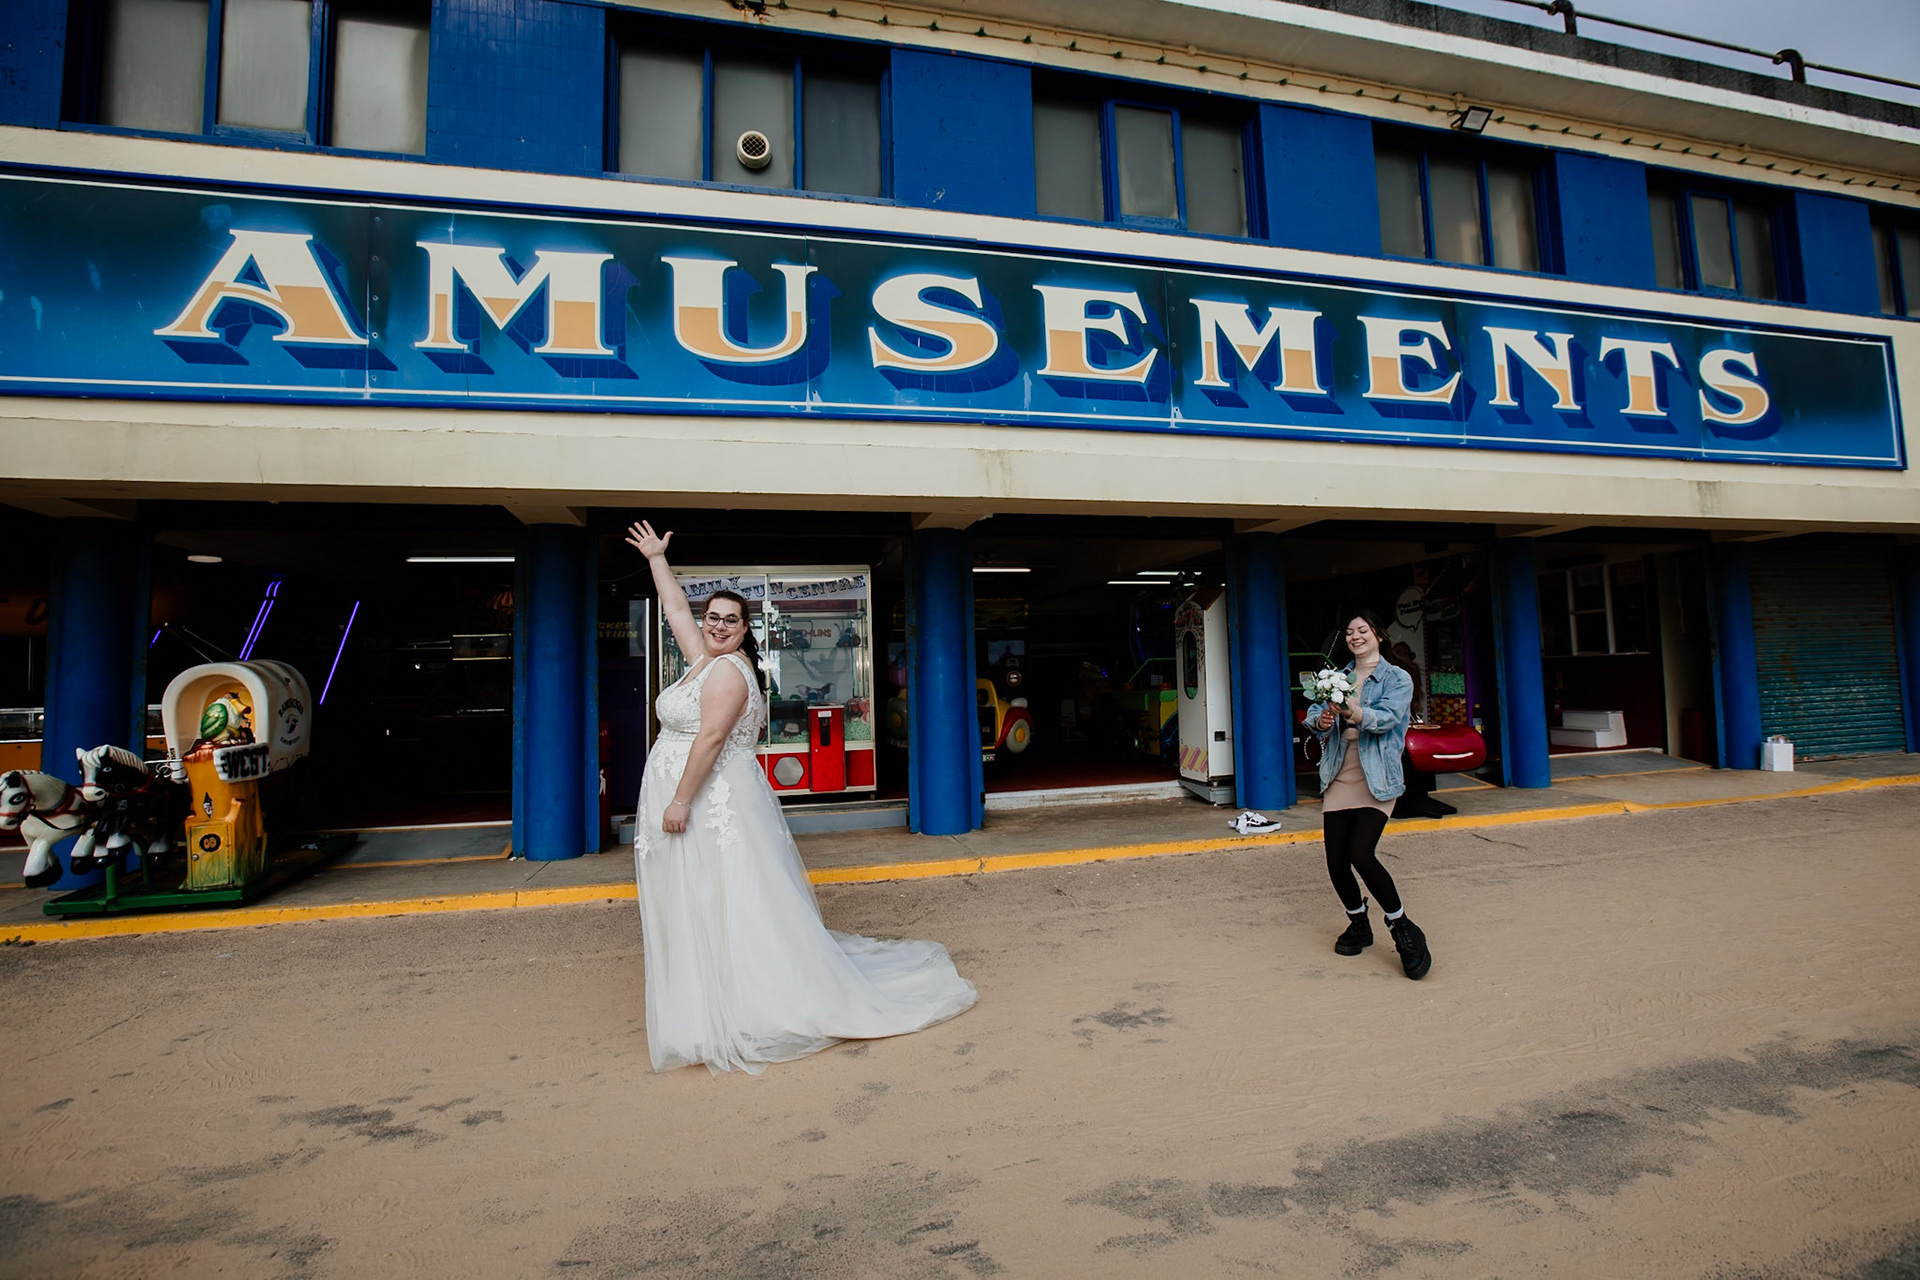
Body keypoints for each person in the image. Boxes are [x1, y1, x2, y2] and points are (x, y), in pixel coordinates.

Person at [625, 520, 977, 1074]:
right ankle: (711, 991)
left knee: (726, 896)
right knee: (706, 897)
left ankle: (746, 1001)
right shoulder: (702, 659)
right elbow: (674, 610)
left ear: (745, 630)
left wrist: (678, 802)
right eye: (712, 617)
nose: (717, 626)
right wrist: (657, 561)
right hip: (704, 799)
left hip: (707, 802)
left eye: (730, 620)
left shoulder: (728, 675)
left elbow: (712, 739)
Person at [1306, 610, 1433, 980]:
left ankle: (1402, 927)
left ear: (1378, 634)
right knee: (1335, 861)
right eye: (1349, 632)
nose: (1355, 636)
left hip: (1376, 774)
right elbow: (1314, 713)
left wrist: (1352, 711)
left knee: (1361, 854)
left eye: (1362, 630)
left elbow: (1390, 718)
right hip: (1340, 772)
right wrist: (1322, 721)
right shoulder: (1338, 676)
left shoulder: (1398, 678)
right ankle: (1358, 923)